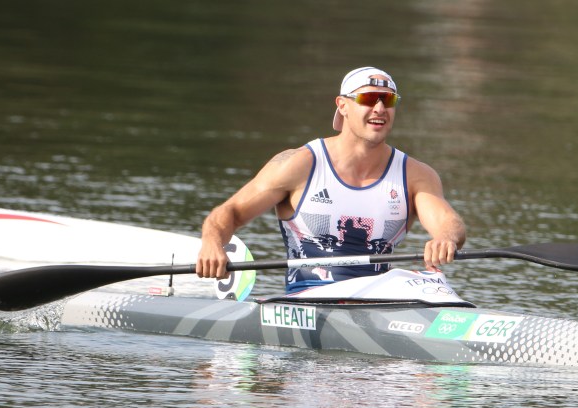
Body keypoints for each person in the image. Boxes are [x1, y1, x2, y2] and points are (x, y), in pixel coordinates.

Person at [196, 66, 466, 293]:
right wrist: (212, 242)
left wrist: (445, 239)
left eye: (389, 100)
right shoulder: (299, 164)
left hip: (380, 300)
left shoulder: (416, 175)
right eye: (369, 98)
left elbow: (447, 222)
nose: (380, 108)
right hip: (310, 297)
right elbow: (230, 212)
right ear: (343, 105)